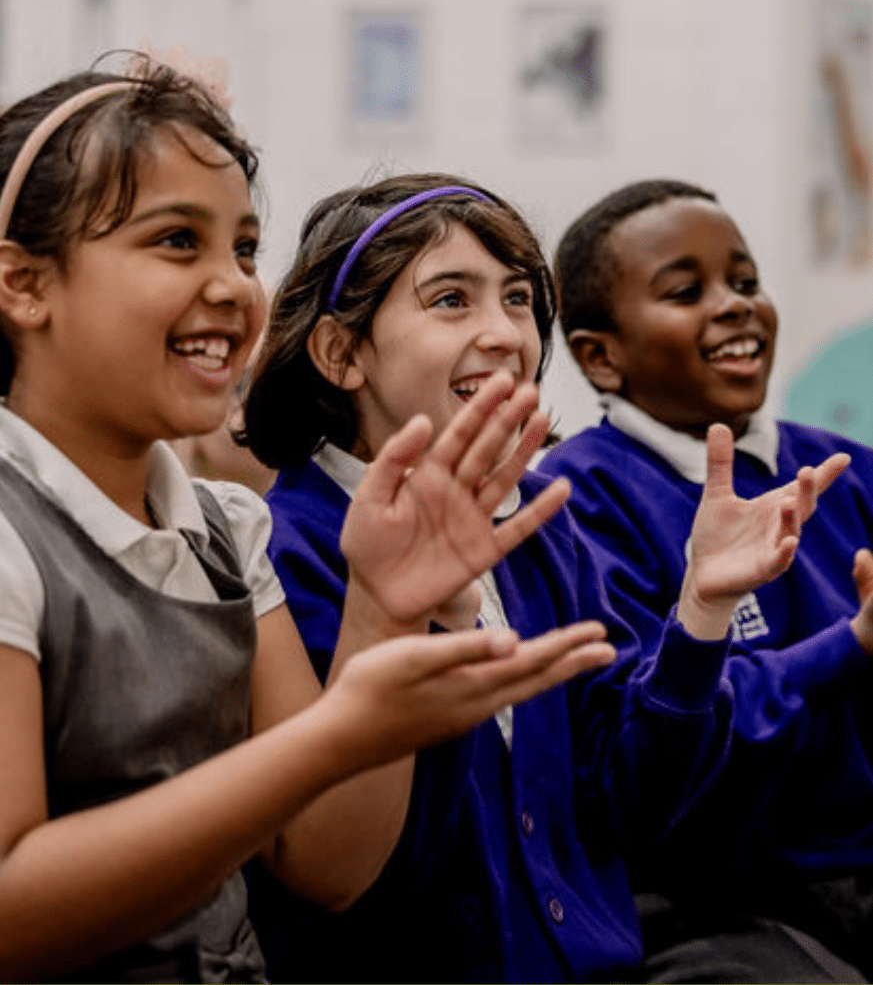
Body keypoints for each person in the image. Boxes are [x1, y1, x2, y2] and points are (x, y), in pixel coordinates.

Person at [0, 60, 630, 984]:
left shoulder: (225, 527)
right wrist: (334, 735)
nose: (231, 286)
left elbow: (326, 866)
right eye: (178, 241)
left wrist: (382, 610)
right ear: (22, 285)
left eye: (243, 248)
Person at [238, 172, 849, 984]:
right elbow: (359, 881)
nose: (503, 333)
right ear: (340, 352)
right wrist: (433, 625)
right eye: (451, 299)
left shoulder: (538, 523)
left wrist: (700, 611)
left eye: (518, 299)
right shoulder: (286, 554)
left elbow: (630, 802)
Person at [538, 177, 873, 982]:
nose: (733, 305)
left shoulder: (842, 468)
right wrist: (850, 645)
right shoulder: (575, 502)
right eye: (686, 291)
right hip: (702, 899)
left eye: (745, 281)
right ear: (599, 356)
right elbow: (645, 755)